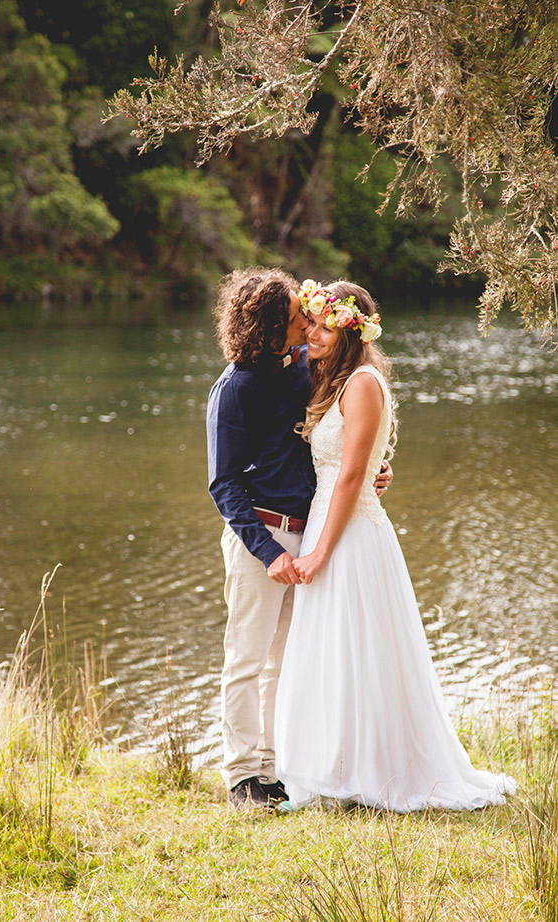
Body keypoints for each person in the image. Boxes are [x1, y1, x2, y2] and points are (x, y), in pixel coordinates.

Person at [274, 279, 516, 812]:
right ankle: (332, 768)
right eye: (308, 322)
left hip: (351, 533)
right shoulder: (324, 376)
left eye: (321, 325)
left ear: (349, 331)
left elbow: (352, 474)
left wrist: (319, 553)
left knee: (362, 651)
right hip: (324, 521)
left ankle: (374, 773)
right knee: (330, 650)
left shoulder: (361, 383)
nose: (309, 332)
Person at [206, 268, 393, 808]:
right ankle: (244, 776)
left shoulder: (302, 369)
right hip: (259, 538)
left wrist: (375, 471)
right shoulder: (233, 391)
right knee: (246, 657)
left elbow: (344, 434)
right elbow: (223, 485)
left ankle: (276, 768)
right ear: (268, 330)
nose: (307, 323)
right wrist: (267, 554)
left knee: (285, 660)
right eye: (295, 318)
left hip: (310, 534)